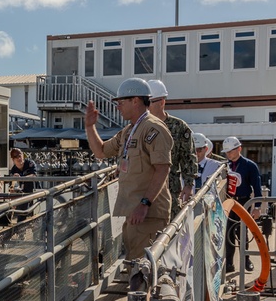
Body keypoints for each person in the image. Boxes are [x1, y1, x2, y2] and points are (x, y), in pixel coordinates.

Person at [85, 77, 171, 264]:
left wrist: (144, 204)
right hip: (135, 214)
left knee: (143, 271)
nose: (118, 107)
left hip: (148, 214)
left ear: (136, 101)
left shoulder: (153, 129)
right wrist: (90, 126)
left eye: (121, 102)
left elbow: (162, 170)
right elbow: (101, 152)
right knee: (136, 265)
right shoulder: (129, 131)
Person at [148, 80, 198, 218]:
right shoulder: (139, 127)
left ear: (162, 102)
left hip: (171, 189)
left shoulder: (179, 127)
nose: (146, 107)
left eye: (150, 102)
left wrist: (188, 184)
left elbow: (188, 157)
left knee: (171, 229)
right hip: (144, 189)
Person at [220, 136, 263, 273]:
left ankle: (246, 260)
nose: (228, 154)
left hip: (244, 201)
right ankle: (229, 263)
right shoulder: (224, 165)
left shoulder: (249, 166)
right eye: (226, 152)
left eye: (231, 151)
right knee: (228, 233)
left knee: (242, 232)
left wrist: (257, 207)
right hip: (229, 201)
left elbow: (257, 187)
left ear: (239, 149)